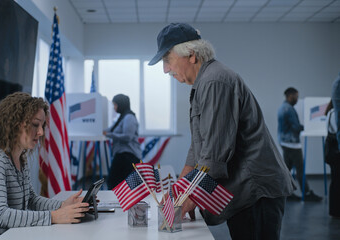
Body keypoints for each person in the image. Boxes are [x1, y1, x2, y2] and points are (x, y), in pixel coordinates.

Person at [149, 23, 295, 240]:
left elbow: (213, 158)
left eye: (167, 60)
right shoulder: (203, 84)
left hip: (256, 191)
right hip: (245, 191)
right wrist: (179, 193)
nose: (165, 69)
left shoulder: (214, 81)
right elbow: (198, 149)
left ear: (190, 55)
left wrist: (185, 202)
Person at [0, 92, 90, 239]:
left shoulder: (20, 158)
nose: (41, 132)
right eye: (35, 125)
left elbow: (31, 200)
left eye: (42, 125)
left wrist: (62, 205)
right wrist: (53, 217)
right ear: (14, 124)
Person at [277, 87, 322, 202]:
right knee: (300, 170)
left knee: (287, 170)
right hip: (293, 144)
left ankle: (287, 193)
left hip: (285, 143)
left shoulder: (282, 107)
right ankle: (306, 193)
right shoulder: (289, 109)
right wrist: (310, 127)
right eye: (296, 97)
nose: (297, 99)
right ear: (290, 96)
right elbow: (296, 127)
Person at [103, 94, 142, 189]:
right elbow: (110, 129)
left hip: (128, 156)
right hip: (122, 155)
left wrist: (108, 135)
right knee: (116, 182)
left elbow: (128, 137)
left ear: (121, 104)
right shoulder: (122, 117)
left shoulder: (129, 118)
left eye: (115, 105)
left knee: (113, 182)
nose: (114, 107)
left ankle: (116, 202)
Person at [325, 100, 340, 218]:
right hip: (336, 153)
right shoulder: (335, 113)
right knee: (336, 182)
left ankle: (334, 210)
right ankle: (335, 211)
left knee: (335, 181)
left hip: (332, 152)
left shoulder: (330, 112)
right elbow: (336, 131)